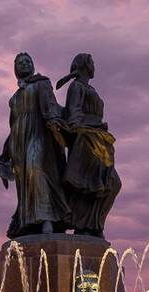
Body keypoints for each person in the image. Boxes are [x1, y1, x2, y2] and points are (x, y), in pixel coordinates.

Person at [0, 52, 69, 238]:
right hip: (18, 142)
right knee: (24, 182)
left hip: (38, 135)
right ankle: (30, 224)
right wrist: (2, 160)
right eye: (20, 63)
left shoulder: (42, 83)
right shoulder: (15, 97)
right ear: (15, 70)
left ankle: (48, 219)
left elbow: (50, 108)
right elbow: (13, 127)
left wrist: (57, 123)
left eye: (27, 61)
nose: (24, 64)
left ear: (33, 65)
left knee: (35, 169)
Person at [55, 53, 121, 237]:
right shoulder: (76, 87)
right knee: (91, 185)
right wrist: (78, 131)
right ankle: (86, 226)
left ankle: (92, 226)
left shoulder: (88, 88)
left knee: (109, 184)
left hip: (100, 139)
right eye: (92, 62)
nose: (94, 65)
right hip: (87, 140)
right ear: (84, 65)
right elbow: (73, 113)